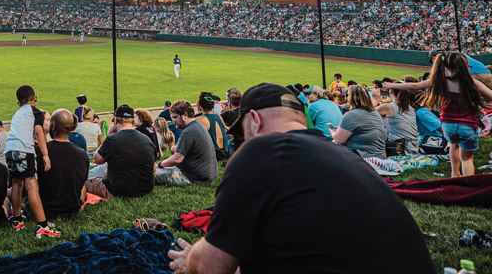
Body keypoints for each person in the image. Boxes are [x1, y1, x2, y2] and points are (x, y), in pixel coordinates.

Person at [167, 83, 433, 274]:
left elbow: (211, 267)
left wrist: (192, 260)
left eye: (244, 131)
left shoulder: (259, 151)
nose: (244, 140)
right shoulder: (348, 159)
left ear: (255, 121)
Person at [385, 51, 492, 176]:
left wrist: (390, 85)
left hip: (448, 125)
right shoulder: (473, 83)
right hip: (467, 125)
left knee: (453, 145)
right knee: (466, 158)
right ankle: (467, 183)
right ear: (467, 65)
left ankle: (454, 175)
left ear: (446, 67)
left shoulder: (440, 82)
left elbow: (415, 86)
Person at [4, 84, 60, 237]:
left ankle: (17, 220)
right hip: (24, 151)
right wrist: (45, 154)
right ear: (35, 98)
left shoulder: (17, 113)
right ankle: (42, 225)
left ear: (18, 103)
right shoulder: (36, 112)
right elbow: (38, 131)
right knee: (32, 185)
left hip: (10, 150)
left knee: (16, 183)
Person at [85, 104, 155, 199]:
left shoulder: (112, 139)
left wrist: (107, 137)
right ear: (133, 122)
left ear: (116, 120)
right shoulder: (146, 139)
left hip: (118, 190)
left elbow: (97, 160)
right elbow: (153, 168)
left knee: (85, 181)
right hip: (146, 189)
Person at [39, 109, 89, 218]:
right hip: (72, 210)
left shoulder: (41, 152)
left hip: (46, 210)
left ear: (53, 127)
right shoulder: (82, 154)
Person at [155, 100, 217, 186]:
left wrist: (159, 165)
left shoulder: (188, 132)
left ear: (185, 115)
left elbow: (177, 159)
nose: (173, 121)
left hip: (191, 177)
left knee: (148, 173)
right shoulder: (197, 126)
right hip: (206, 175)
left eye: (175, 117)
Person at [330, 85, 386, 159]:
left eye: (348, 94)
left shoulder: (351, 115)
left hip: (362, 157)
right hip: (379, 156)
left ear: (352, 97)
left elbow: (339, 139)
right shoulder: (374, 113)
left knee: (331, 145)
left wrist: (332, 131)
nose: (346, 97)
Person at [375, 83, 419, 153]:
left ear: (390, 92)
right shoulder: (410, 107)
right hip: (413, 147)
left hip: (400, 149)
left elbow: (367, 114)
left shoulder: (388, 107)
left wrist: (376, 99)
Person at [194, 94, 229, 158]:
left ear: (199, 105)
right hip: (225, 151)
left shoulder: (199, 119)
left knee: (174, 149)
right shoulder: (219, 116)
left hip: (214, 153)